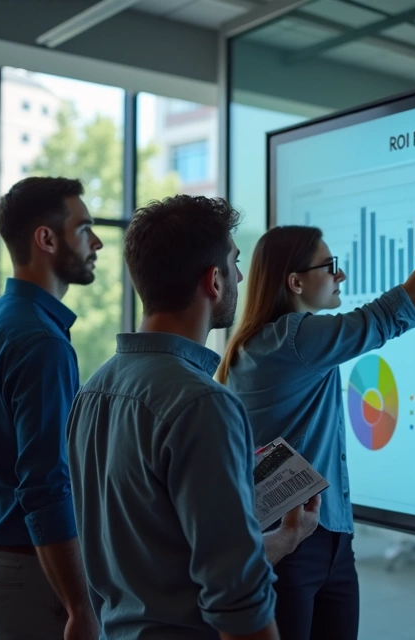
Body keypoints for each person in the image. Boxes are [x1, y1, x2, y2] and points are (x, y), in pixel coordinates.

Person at [217, 164, 415, 640]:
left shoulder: (263, 342)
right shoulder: (294, 338)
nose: (341, 275)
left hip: (321, 535)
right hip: (296, 542)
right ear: (295, 282)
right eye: (329, 267)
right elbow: (404, 303)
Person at [66, 195, 321, 640]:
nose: (241, 276)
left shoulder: (93, 390)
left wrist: (286, 537)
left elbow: (165, 563)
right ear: (214, 281)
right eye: (234, 263)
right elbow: (235, 597)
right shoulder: (204, 405)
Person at [0, 177, 103, 640]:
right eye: (84, 229)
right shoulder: (42, 342)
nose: (96, 242)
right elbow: (45, 486)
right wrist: (80, 604)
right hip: (27, 569)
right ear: (46, 238)